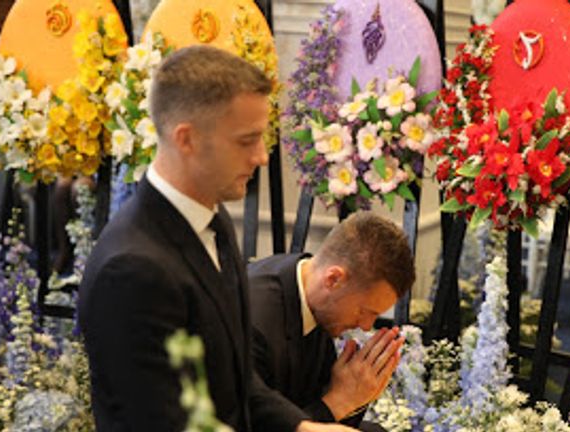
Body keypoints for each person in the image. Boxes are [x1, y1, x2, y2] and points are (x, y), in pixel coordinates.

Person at [78, 45, 358, 432]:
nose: (262, 156)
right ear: (186, 139)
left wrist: (304, 428)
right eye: (247, 140)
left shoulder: (214, 218)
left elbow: (237, 381)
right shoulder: (132, 269)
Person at [248, 212, 415, 431]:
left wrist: (356, 394)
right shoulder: (254, 321)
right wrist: (340, 401)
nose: (366, 326)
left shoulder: (318, 301)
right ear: (333, 279)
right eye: (365, 311)